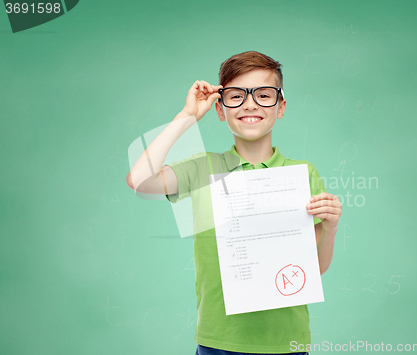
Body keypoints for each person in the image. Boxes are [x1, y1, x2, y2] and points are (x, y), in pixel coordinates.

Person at [126, 51, 342, 354]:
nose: (250, 104)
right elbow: (140, 180)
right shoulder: (203, 168)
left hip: (286, 342)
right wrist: (187, 116)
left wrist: (330, 228)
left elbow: (315, 268)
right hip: (219, 342)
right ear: (219, 109)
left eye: (264, 95)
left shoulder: (303, 173)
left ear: (280, 107)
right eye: (237, 96)